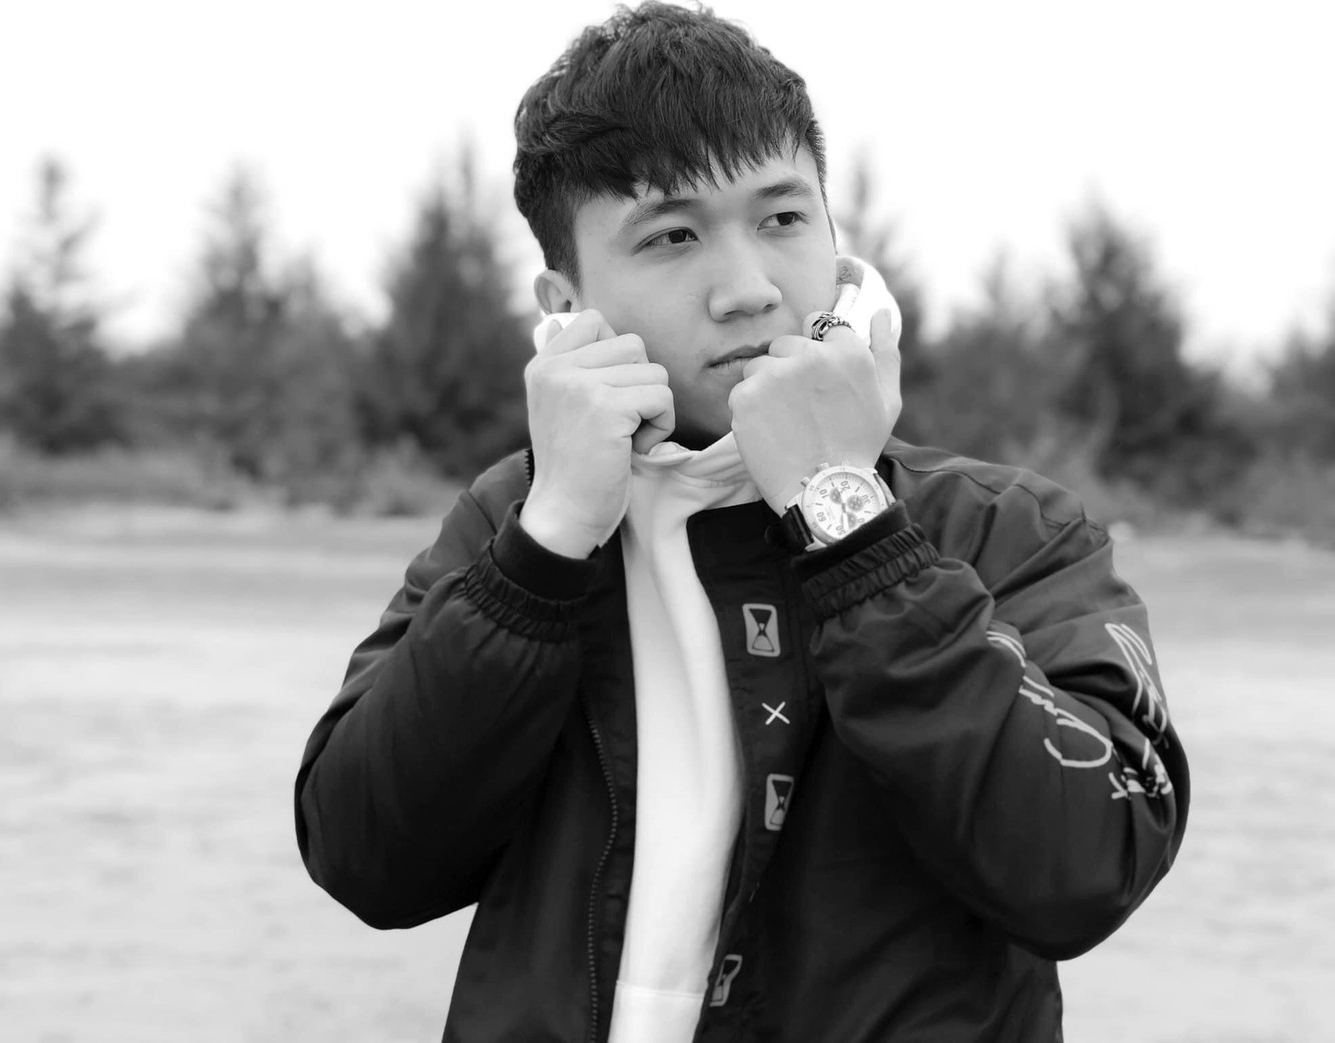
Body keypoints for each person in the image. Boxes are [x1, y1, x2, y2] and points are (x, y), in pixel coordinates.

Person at [294, 4, 1189, 1040]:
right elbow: (368, 859)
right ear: (566, 306)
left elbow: (1086, 864)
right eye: (671, 236)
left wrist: (850, 522)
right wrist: (546, 547)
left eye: (783, 218)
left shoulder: (1002, 528)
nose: (750, 289)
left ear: (843, 254)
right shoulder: (516, 525)